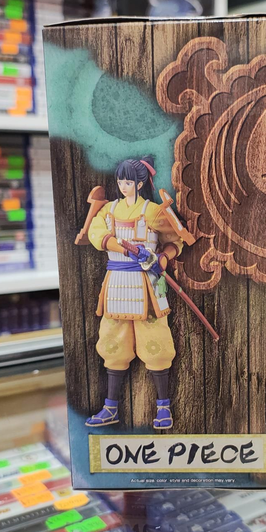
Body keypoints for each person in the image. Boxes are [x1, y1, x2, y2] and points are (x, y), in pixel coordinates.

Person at [81, 156, 184, 430]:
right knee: (112, 342)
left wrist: (163, 258)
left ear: (139, 184)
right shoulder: (108, 210)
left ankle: (163, 407)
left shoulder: (153, 212)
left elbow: (175, 240)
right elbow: (96, 234)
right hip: (116, 283)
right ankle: (110, 407)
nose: (123, 186)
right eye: (120, 181)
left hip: (146, 283)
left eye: (128, 182)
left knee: (156, 342)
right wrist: (121, 247)